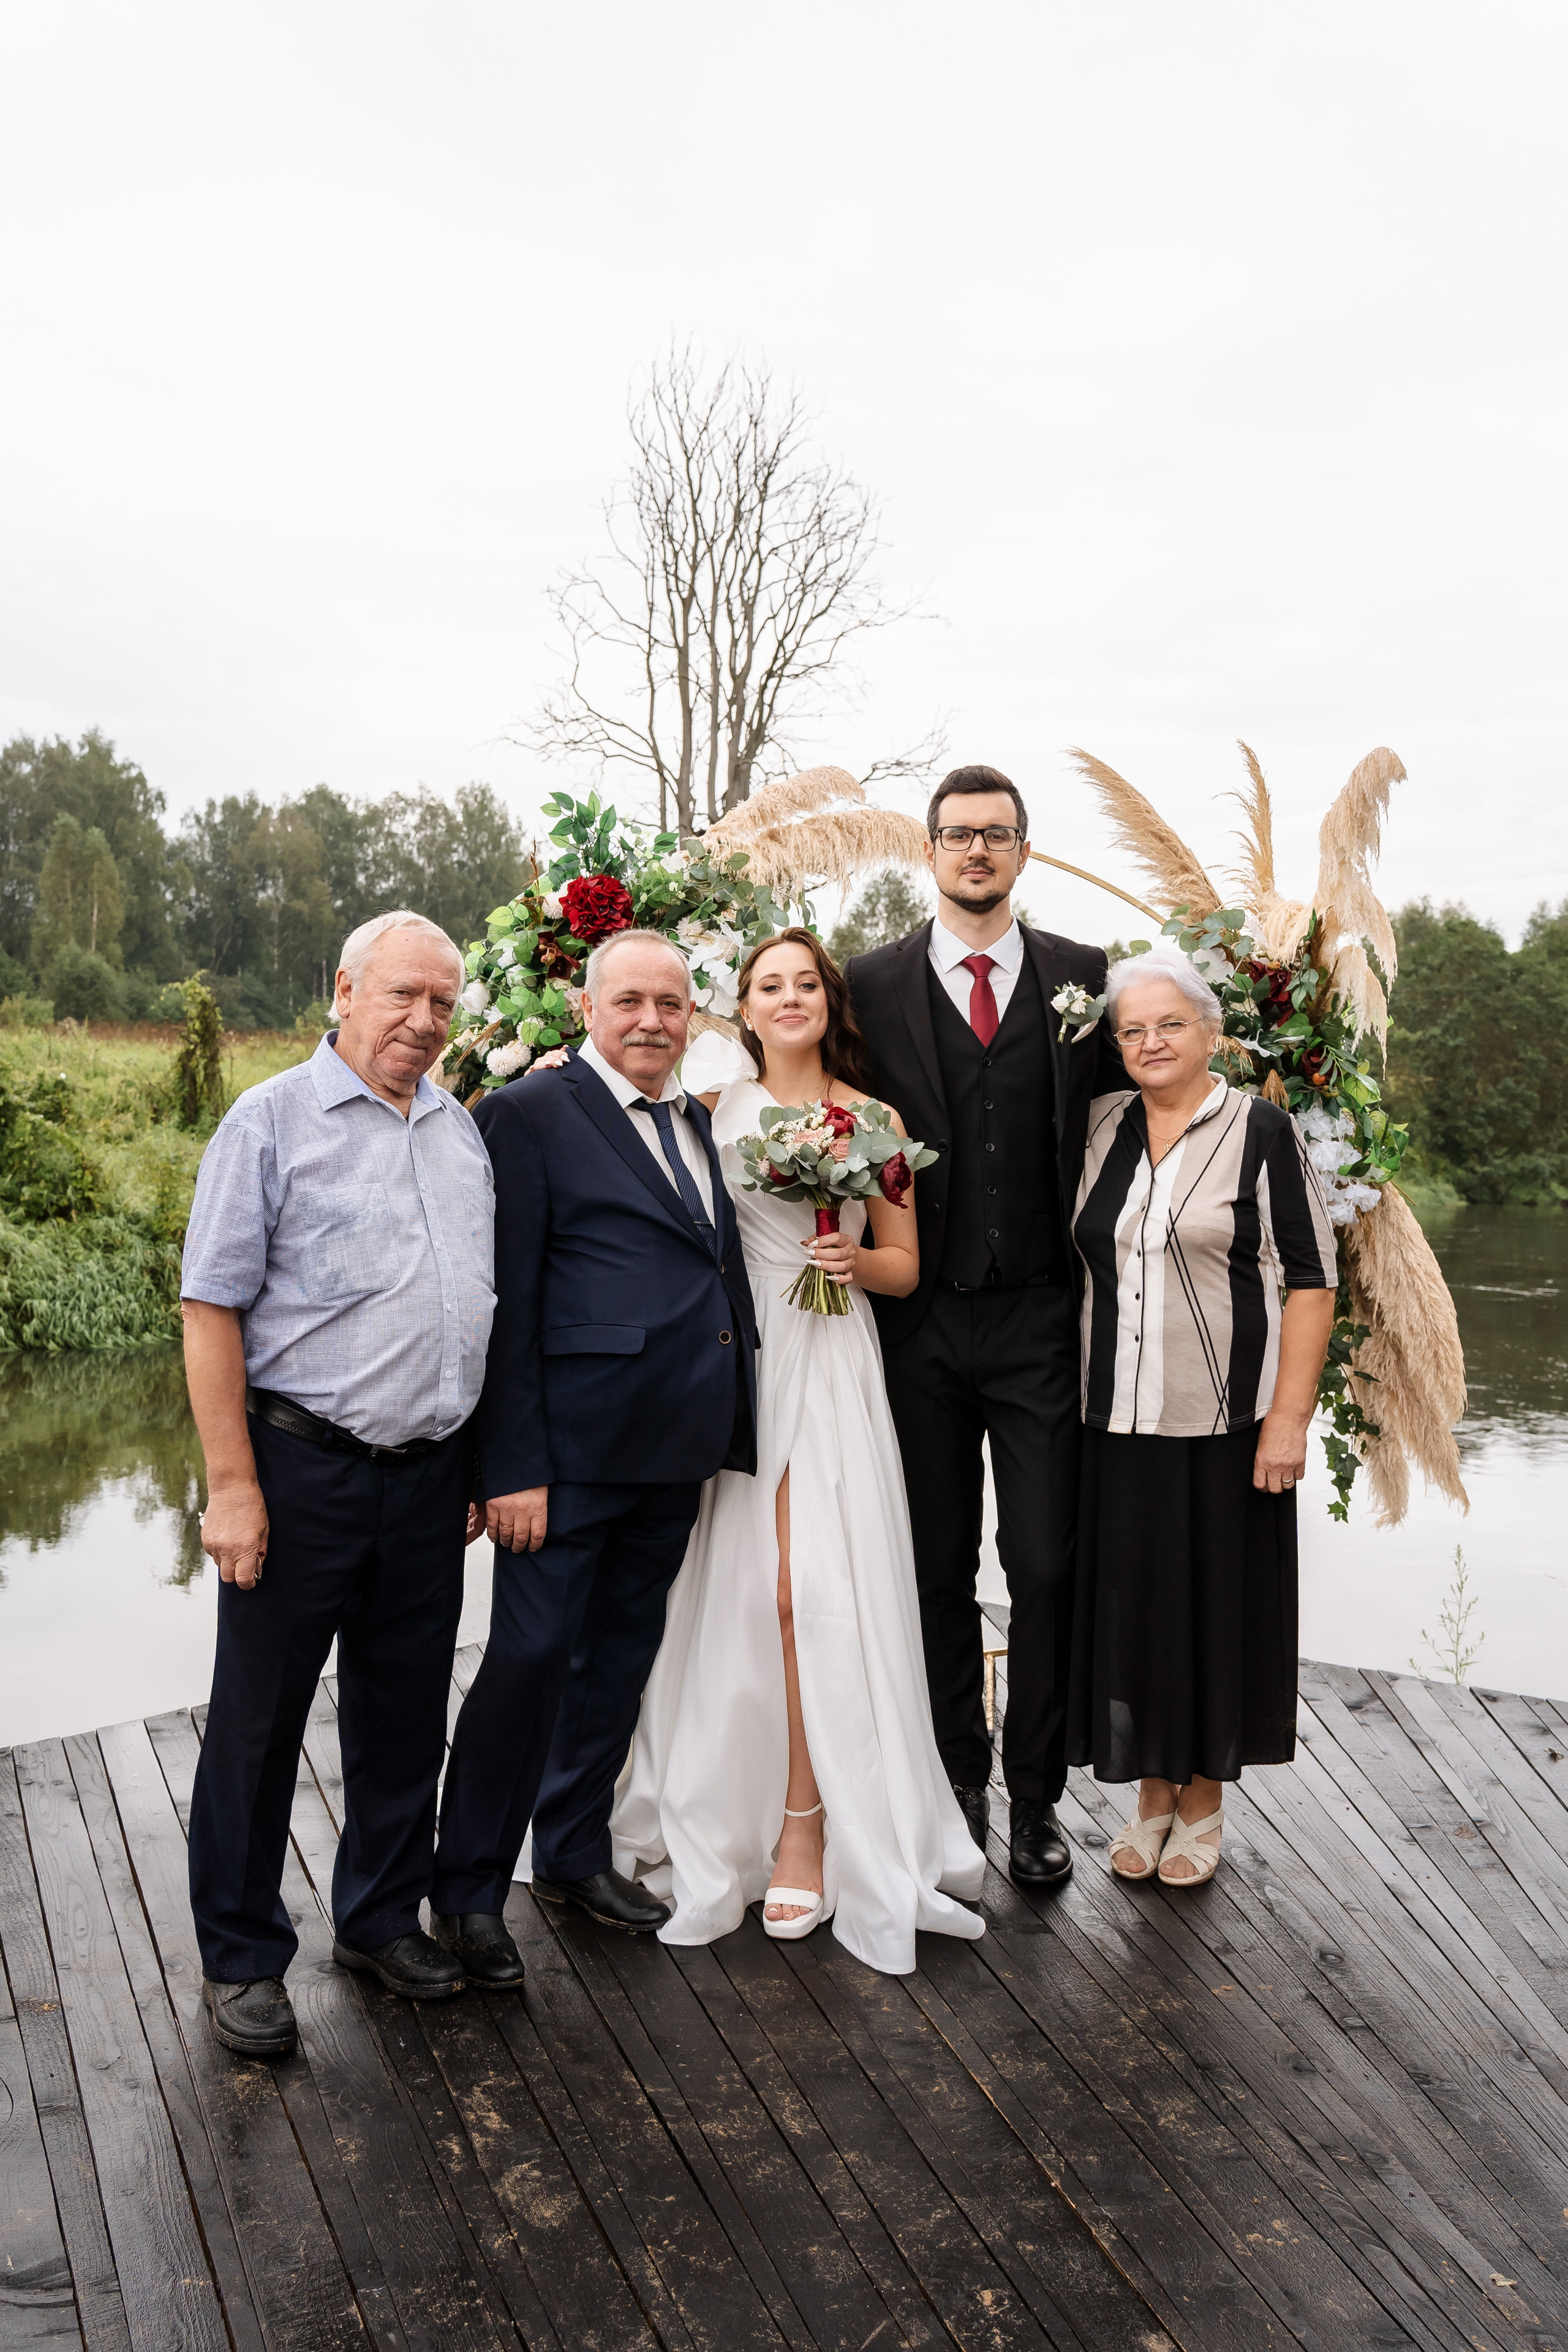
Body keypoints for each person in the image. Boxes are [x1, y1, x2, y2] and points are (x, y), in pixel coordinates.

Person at [606, 928, 986, 1973]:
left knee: (810, 1590)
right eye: (768, 985)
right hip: (740, 1364)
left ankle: (807, 1822)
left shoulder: (876, 1120)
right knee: (743, 1592)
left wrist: (853, 1257)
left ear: (830, 999)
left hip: (833, 1351)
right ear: (743, 1005)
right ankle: (724, 1800)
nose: (788, 999)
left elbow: (907, 1268)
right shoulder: (707, 1111)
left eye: (804, 983)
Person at [181, 911, 494, 2059]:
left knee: (406, 1714)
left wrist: (470, 1460)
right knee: (258, 1728)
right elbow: (209, 1309)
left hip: (428, 1481)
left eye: (444, 1005)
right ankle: (243, 1956)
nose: (423, 1022)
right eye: (404, 996)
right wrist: (233, 1487)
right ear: (345, 988)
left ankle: (374, 1919)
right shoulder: (269, 1122)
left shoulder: (463, 1133)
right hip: (300, 1470)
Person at [430, 931, 759, 1978]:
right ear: (587, 1008)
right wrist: (508, 1464)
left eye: (672, 1003)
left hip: (673, 1448)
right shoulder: (525, 1115)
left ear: (694, 1017)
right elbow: (508, 1302)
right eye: (632, 1002)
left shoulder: (691, 1122)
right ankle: (468, 1893)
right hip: (563, 1458)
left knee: (619, 1662)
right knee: (525, 1667)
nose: (653, 1020)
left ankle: (572, 1852)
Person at [843, 764, 1121, 1888]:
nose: (977, 852)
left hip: (1043, 1321)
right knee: (933, 1568)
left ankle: (1037, 1798)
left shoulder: (1084, 977)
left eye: (996, 836)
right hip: (917, 1324)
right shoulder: (868, 981)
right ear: (930, 849)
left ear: (1024, 851)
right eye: (958, 836)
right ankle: (958, 1779)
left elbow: (1129, 1113)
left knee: (1047, 1566)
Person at [1066, 952, 1337, 1885]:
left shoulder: (1262, 1131)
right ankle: (1150, 1795)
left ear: (1211, 1033)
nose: (1149, 1043)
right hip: (1113, 1419)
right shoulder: (1100, 1126)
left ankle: (1205, 1802)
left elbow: (1312, 1281)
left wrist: (1289, 1421)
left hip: (1225, 1421)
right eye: (1132, 1030)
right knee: (1133, 1610)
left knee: (1216, 1612)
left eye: (1169, 1025)